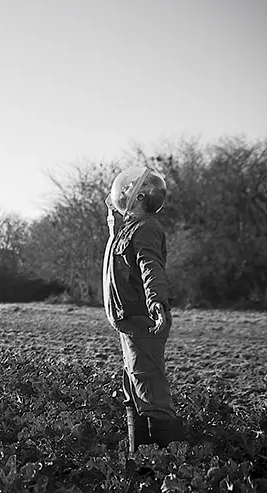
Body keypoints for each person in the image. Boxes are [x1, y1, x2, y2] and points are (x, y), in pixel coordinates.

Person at [102, 166, 185, 453]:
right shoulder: (131, 228)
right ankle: (140, 466)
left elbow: (151, 268)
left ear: (139, 197)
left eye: (128, 190)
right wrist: (112, 218)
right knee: (135, 394)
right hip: (130, 323)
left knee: (151, 394)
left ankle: (173, 470)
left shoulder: (147, 228)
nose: (121, 192)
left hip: (143, 322)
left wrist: (157, 304)